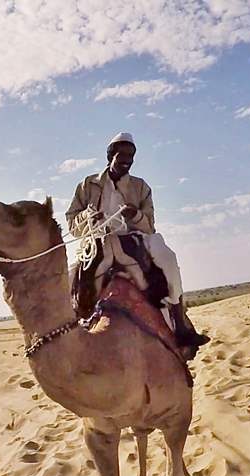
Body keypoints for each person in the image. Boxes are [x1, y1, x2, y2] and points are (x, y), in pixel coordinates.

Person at [65, 132, 209, 350]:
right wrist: (87, 216)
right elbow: (72, 224)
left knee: (168, 258)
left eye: (130, 156)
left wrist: (135, 216)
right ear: (111, 155)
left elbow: (150, 225)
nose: (126, 161)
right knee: (69, 279)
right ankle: (70, 339)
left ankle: (180, 323)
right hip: (97, 241)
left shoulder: (140, 187)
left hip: (134, 238)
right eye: (121, 155)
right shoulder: (88, 185)